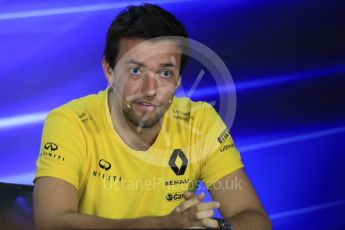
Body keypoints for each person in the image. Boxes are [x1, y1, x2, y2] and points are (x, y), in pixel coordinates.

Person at [33, 3, 271, 229]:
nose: (150, 89)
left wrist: (214, 227)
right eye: (135, 70)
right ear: (109, 70)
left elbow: (255, 218)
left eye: (165, 73)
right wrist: (161, 225)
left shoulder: (200, 121)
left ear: (178, 80)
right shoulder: (70, 122)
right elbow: (51, 223)